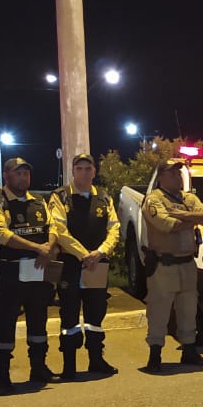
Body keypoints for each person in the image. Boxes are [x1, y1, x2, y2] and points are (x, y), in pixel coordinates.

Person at [0, 156, 56, 390]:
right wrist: (37, 247)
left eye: (26, 173)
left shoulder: (38, 202)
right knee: (5, 323)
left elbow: (52, 228)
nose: (23, 177)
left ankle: (39, 367)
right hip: (10, 271)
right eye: (17, 173)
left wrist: (48, 247)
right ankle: (2, 374)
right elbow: (2, 235)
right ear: (6, 176)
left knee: (39, 321)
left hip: (38, 270)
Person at [51, 151, 121, 377]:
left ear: (94, 171)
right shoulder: (60, 197)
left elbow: (114, 229)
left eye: (87, 168)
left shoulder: (104, 197)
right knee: (69, 315)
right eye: (79, 168)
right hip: (71, 265)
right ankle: (69, 365)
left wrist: (99, 253)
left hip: (97, 266)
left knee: (96, 314)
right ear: (72, 171)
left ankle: (96, 360)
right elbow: (59, 231)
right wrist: (84, 255)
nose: (83, 173)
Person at [142, 158, 203, 371]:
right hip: (164, 264)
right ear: (162, 177)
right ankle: (155, 353)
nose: (179, 177)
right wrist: (194, 219)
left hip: (187, 263)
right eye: (173, 174)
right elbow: (167, 225)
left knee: (188, 308)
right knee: (159, 310)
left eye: (179, 173)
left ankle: (189, 350)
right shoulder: (153, 200)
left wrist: (183, 214)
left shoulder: (188, 199)